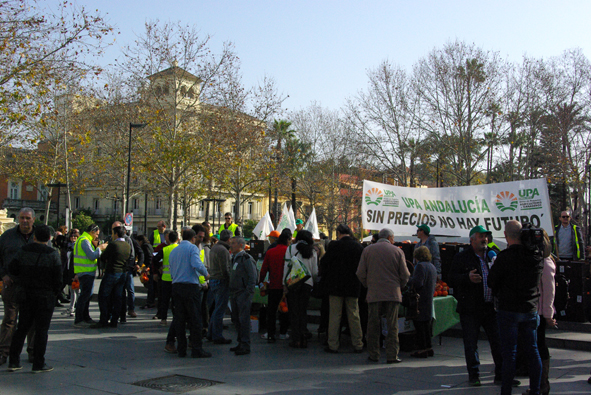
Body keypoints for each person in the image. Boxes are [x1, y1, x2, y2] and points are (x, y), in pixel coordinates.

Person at [488, 221, 544, 395]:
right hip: (529, 309)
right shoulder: (535, 257)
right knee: (533, 351)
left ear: (506, 235)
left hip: (508, 310)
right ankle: (535, 389)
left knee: (509, 354)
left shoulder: (504, 257)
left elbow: (491, 282)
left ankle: (506, 391)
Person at [448, 225, 505, 387]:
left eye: (486, 236)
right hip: (471, 308)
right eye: (481, 237)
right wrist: (467, 277)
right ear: (472, 240)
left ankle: (501, 375)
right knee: (471, 343)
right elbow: (451, 278)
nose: (485, 239)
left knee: (498, 342)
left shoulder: (493, 255)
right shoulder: (462, 257)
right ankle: (474, 375)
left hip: (491, 307)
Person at [6, 225, 62, 373]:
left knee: (22, 327)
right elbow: (58, 279)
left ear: (35, 237)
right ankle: (38, 363)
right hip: (45, 296)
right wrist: (54, 293)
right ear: (49, 238)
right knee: (41, 330)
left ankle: (13, 361)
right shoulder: (53, 254)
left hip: (26, 294)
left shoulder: (24, 251)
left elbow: (12, 268)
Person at [356, 228, 410, 364]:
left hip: (374, 293)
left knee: (373, 324)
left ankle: (374, 353)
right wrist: (400, 285)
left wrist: (368, 284)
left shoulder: (368, 250)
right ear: (391, 238)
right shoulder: (398, 251)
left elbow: (360, 272)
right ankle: (392, 355)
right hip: (392, 293)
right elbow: (405, 274)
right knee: (392, 325)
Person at [0, 208, 38, 366]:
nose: (24, 221)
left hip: (33, 286)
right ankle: (3, 352)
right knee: (9, 319)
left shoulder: (40, 236)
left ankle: (33, 351)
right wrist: (3, 275)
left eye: (28, 218)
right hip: (12, 284)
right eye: (22, 218)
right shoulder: (7, 237)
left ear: (33, 220)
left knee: (32, 321)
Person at [521, 229, 555, 395]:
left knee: (539, 347)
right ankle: (540, 384)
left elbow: (549, 290)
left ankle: (543, 384)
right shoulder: (536, 260)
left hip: (540, 312)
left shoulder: (546, 262)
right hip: (534, 310)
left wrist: (548, 315)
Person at [321, 224, 364, 354]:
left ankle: (333, 344)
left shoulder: (333, 246)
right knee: (354, 315)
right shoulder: (358, 247)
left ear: (339, 233)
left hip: (335, 286)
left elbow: (324, 263)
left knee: (335, 316)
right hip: (353, 285)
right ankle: (358, 344)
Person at [169, 228, 211, 358]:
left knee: (180, 319)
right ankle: (197, 349)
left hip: (176, 286)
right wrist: (206, 274)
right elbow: (197, 264)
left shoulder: (174, 251)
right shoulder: (192, 249)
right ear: (193, 238)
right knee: (195, 319)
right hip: (190, 287)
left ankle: (181, 349)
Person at [91, 226, 132, 329]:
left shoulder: (113, 244)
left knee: (103, 296)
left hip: (112, 272)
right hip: (122, 273)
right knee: (118, 297)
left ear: (116, 234)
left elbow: (104, 257)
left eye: (113, 233)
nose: (112, 235)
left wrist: (101, 248)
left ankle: (103, 319)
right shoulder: (127, 245)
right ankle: (114, 320)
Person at [284, 230, 319, 349]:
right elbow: (315, 272)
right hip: (307, 283)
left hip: (293, 283)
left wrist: (284, 284)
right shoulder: (313, 251)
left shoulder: (290, 249)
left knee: (294, 311)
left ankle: (296, 339)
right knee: (303, 311)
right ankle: (304, 338)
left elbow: (286, 267)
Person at [72, 224, 108, 328]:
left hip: (86, 272)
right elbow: (92, 256)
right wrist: (100, 248)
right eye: (96, 234)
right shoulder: (84, 240)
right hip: (85, 272)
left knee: (86, 296)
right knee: (84, 296)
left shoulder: (84, 239)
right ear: (92, 231)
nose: (97, 236)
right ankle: (79, 319)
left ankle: (86, 317)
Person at [259, 229, 291, 343]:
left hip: (273, 285)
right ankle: (283, 332)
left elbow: (263, 270)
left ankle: (271, 334)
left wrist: (261, 281)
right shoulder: (289, 252)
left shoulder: (270, 252)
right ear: (288, 240)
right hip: (286, 286)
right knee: (284, 310)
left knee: (271, 311)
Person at [229, 236, 257, 355]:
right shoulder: (234, 258)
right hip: (234, 293)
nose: (231, 245)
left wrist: (248, 292)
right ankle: (240, 342)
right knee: (236, 318)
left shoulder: (246, 258)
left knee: (244, 319)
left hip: (242, 293)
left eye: (233, 243)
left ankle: (245, 344)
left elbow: (252, 276)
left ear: (241, 245)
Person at [408, 246, 437, 358]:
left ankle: (422, 349)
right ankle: (428, 347)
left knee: (420, 327)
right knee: (426, 326)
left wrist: (408, 279)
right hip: (428, 299)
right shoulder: (432, 266)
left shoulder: (420, 266)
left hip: (420, 301)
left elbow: (418, 283)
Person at [207, 229, 232, 344]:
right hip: (220, 281)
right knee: (219, 310)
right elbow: (225, 269)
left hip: (213, 280)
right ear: (229, 239)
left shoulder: (215, 247)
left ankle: (211, 333)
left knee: (216, 309)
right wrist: (229, 280)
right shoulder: (223, 250)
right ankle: (217, 335)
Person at [154, 230, 179, 327]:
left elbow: (155, 259)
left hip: (165, 278)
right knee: (176, 301)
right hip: (177, 279)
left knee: (165, 300)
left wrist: (159, 268)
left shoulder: (165, 250)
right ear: (177, 239)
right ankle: (176, 318)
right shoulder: (179, 249)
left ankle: (163, 319)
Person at [62, 229, 80, 317]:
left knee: (76, 291)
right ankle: (73, 308)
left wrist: (76, 273)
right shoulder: (67, 246)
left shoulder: (77, 247)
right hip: (68, 271)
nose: (73, 238)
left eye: (75, 236)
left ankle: (76, 308)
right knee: (71, 290)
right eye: (72, 236)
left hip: (75, 272)